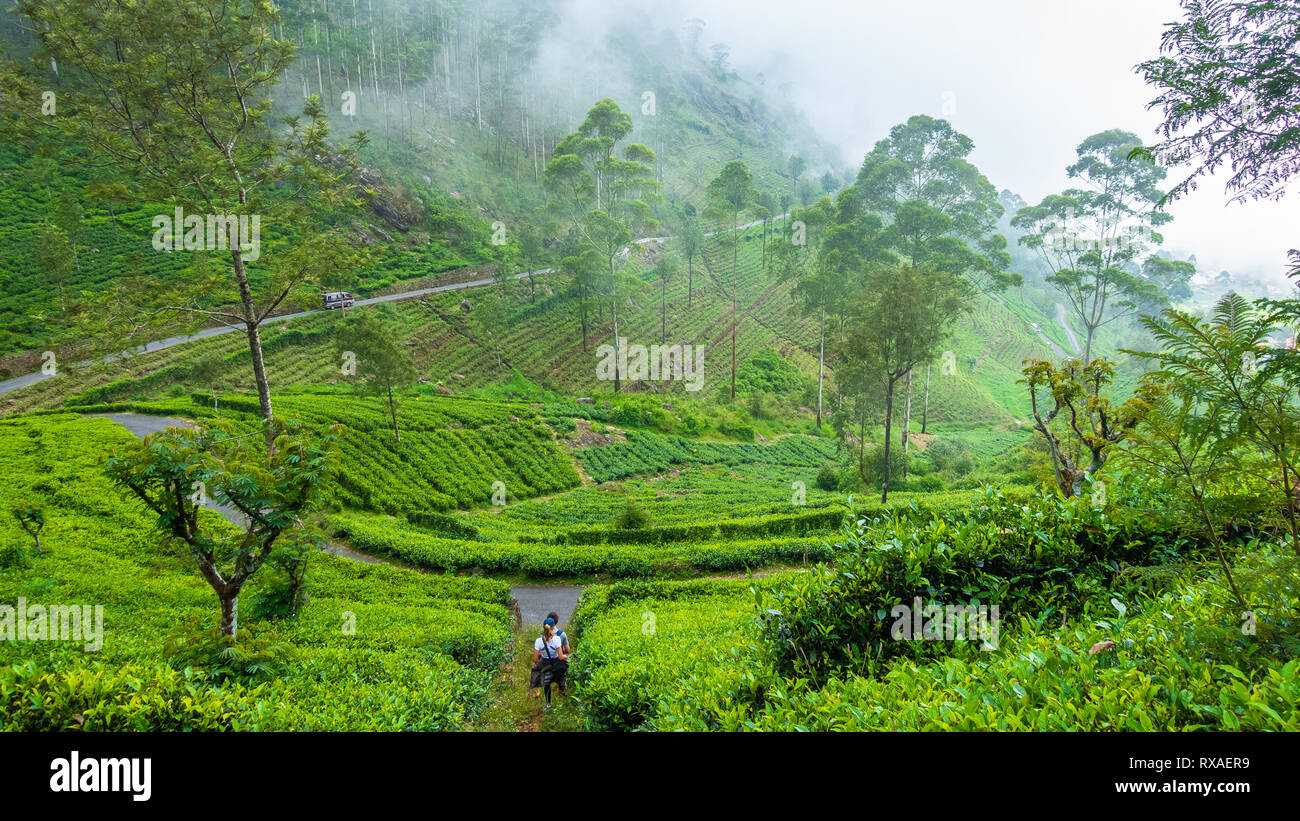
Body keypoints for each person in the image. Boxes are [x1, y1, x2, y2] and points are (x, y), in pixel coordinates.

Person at [529, 618, 567, 709]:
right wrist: (565, 656)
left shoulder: (538, 641)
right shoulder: (557, 639)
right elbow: (560, 656)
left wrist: (542, 654)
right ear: (553, 628)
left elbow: (535, 659)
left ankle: (548, 704)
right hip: (557, 663)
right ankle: (563, 702)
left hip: (545, 664)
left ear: (543, 628)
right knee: (561, 679)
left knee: (547, 684)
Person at [547, 611, 571, 695]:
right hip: (559, 662)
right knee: (563, 672)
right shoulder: (562, 634)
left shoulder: (543, 635)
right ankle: (561, 688)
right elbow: (568, 650)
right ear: (556, 621)